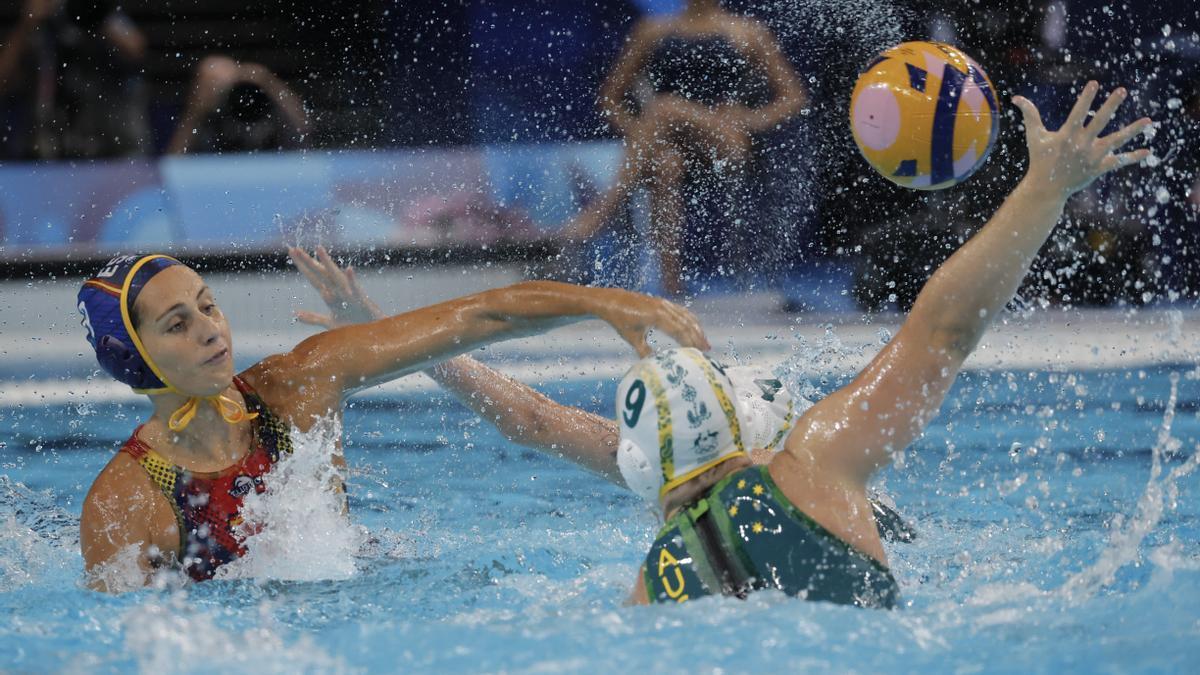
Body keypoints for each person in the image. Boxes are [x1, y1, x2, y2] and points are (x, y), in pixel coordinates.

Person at [617, 83, 1151, 606]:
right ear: (736, 424)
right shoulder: (816, 462)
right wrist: (1045, 189)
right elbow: (945, 333)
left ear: (638, 466)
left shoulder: (652, 589)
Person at [76, 255, 708, 592]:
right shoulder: (128, 501)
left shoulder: (297, 385)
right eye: (178, 323)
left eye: (209, 305)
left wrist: (603, 303)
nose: (211, 329)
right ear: (134, 358)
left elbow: (478, 315)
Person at [557, 0, 807, 297]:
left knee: (665, 106)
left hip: (726, 142)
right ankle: (673, 289)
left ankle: (604, 211)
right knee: (666, 163)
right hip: (672, 144)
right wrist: (642, 136)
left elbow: (793, 97)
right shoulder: (653, 31)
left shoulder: (746, 32)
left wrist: (750, 118)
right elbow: (610, 99)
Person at [0, 0, 150, 159]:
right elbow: (3, 80)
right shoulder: (40, 27)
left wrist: (91, 14)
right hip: (46, 156)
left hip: (110, 155)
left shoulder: (105, 13)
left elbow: (137, 50)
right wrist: (27, 24)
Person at [167, 55, 309, 155]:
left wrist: (269, 82)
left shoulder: (261, 105)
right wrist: (195, 112)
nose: (224, 91)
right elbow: (174, 162)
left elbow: (304, 126)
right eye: (212, 83)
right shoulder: (200, 117)